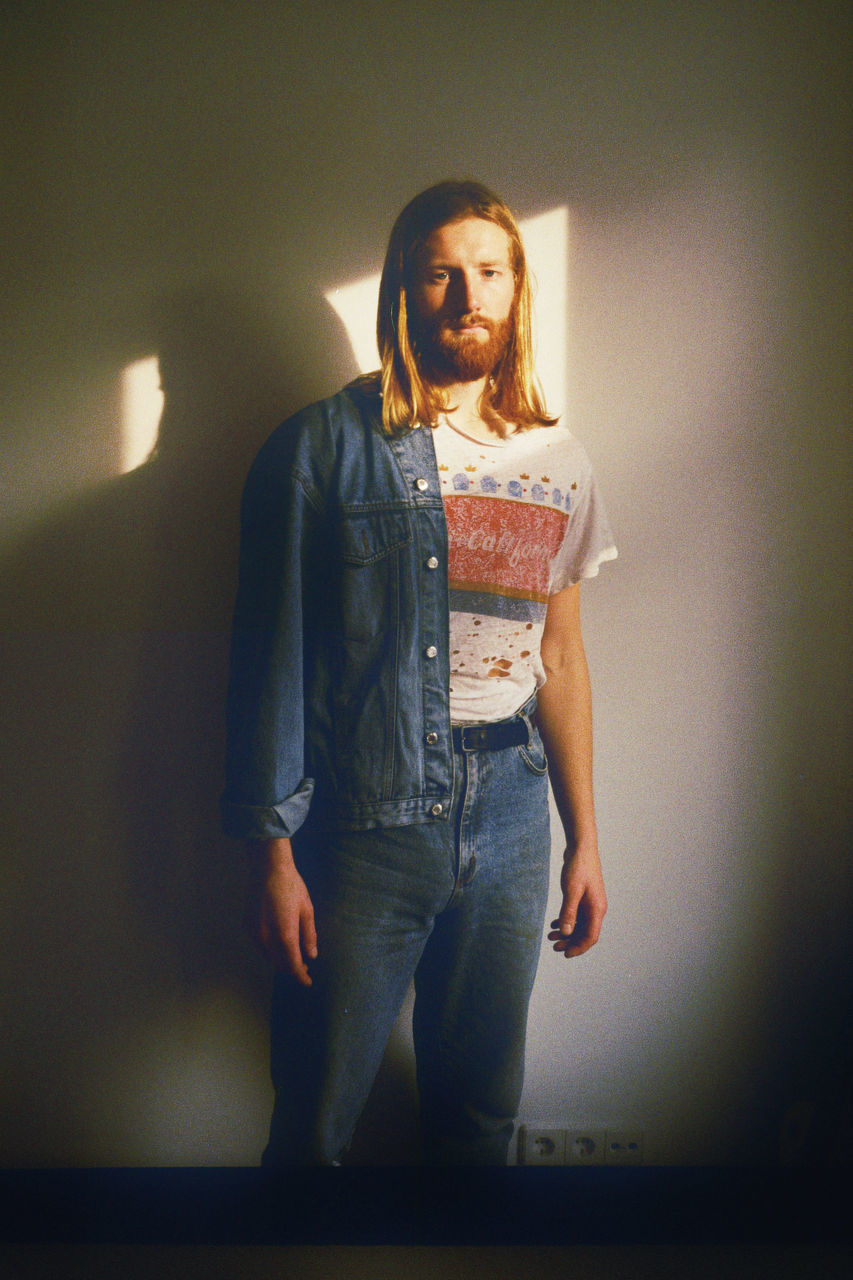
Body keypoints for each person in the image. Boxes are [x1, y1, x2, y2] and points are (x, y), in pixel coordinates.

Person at [222, 179, 617, 1166]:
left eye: (488, 272)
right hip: (365, 823)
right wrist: (273, 855)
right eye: (441, 271)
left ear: (517, 291)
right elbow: (267, 661)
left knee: (480, 1114)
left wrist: (584, 838)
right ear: (403, 288)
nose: (466, 296)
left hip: (516, 816)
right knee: (315, 1115)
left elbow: (559, 656)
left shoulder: (555, 459)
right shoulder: (318, 447)